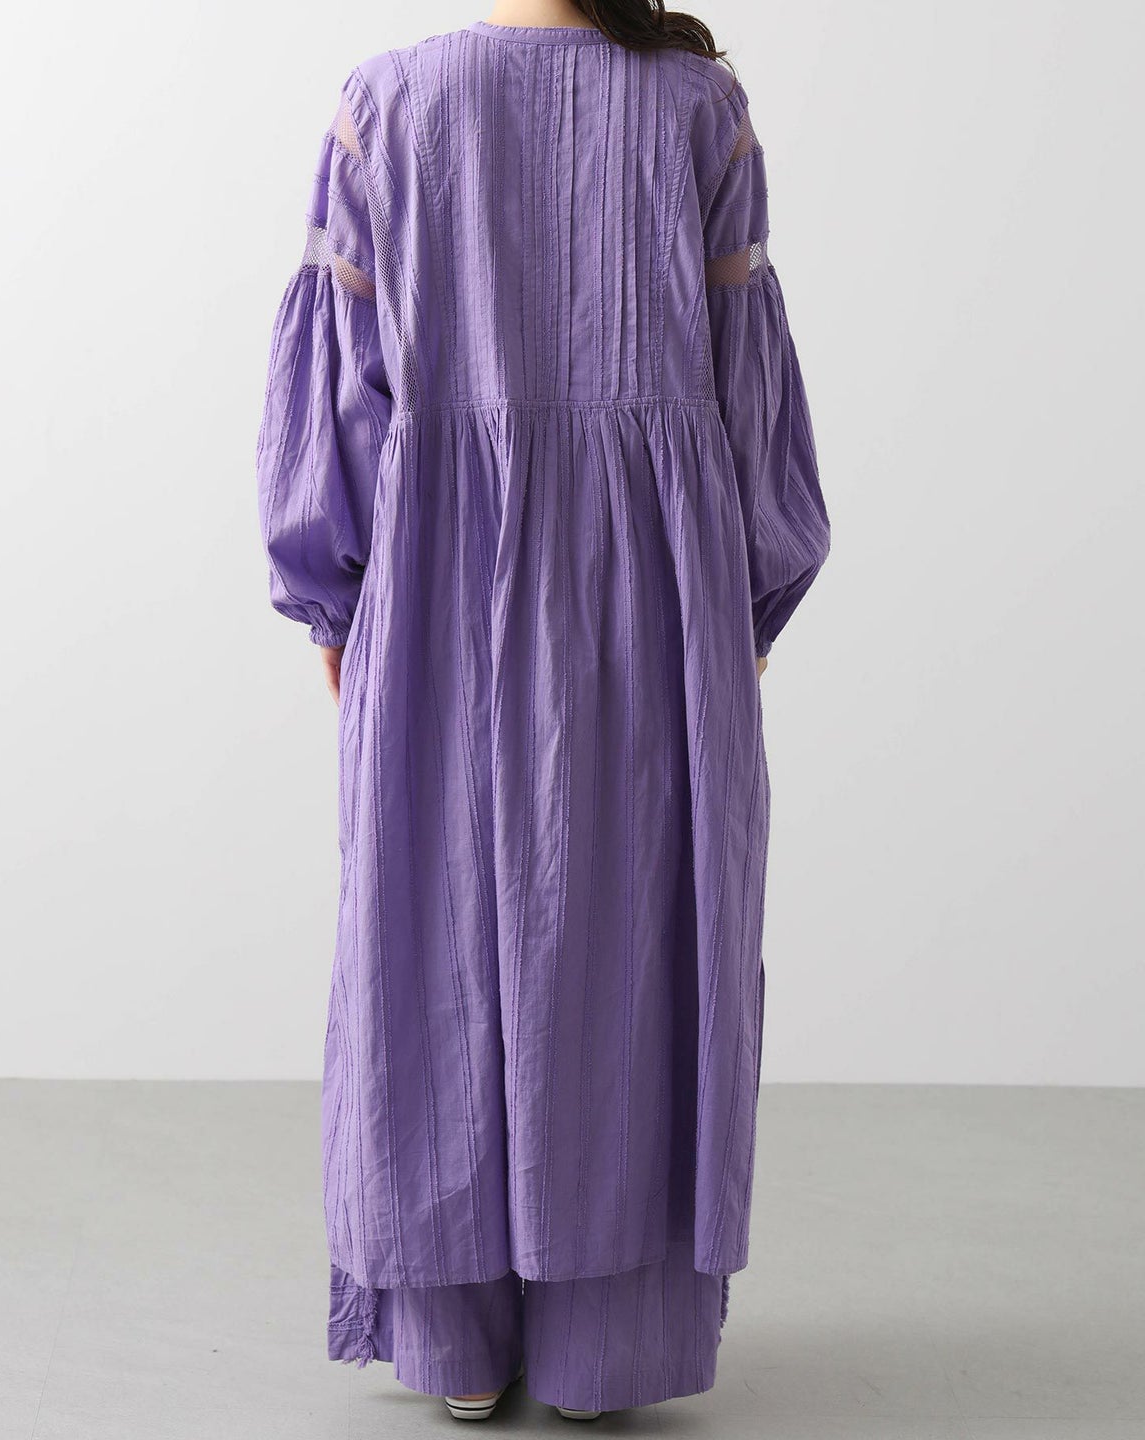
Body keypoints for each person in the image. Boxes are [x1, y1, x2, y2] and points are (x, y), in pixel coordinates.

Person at [255, 0, 830, 1421]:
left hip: (438, 582)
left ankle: (458, 1346)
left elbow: (345, 376)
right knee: (634, 939)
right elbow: (745, 371)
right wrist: (748, 595)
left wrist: (333, 594)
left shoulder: (388, 105)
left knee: (435, 928)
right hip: (657, 593)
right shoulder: (696, 109)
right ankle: (602, 1353)